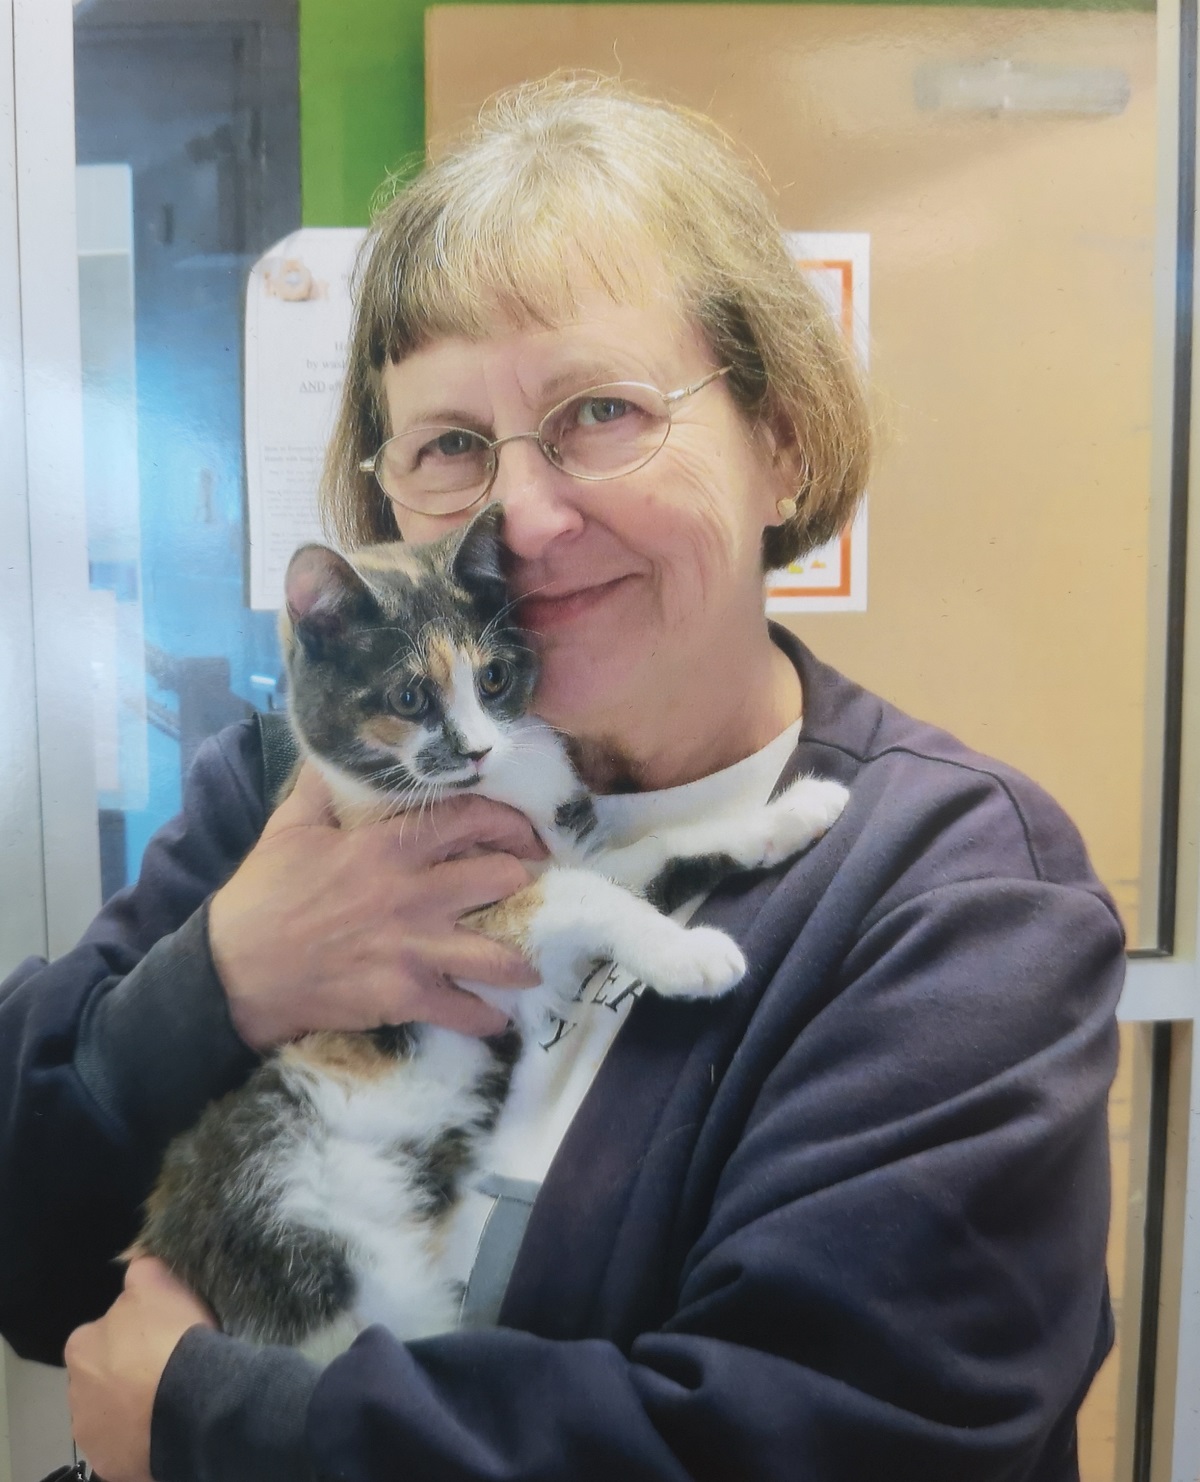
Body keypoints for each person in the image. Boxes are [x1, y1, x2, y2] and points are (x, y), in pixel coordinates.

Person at [0, 77, 1123, 1482]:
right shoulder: (289, 796)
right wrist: (222, 972)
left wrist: (220, 1421)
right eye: (452, 444)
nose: (522, 518)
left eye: (602, 411)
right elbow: (27, 1253)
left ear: (779, 441)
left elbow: (815, 1440)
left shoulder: (957, 907)